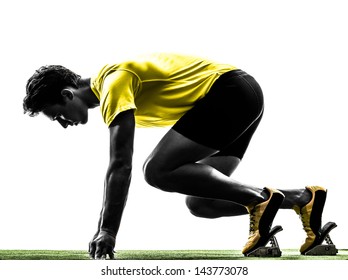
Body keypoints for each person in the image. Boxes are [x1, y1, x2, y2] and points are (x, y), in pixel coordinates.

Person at [23, 53, 327, 259]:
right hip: (240, 96)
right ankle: (302, 199)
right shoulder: (112, 85)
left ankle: (257, 199)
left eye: (57, 115)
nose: (64, 123)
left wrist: (107, 230)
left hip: (230, 92)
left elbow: (120, 164)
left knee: (156, 171)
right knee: (202, 202)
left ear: (66, 94)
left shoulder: (113, 84)